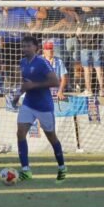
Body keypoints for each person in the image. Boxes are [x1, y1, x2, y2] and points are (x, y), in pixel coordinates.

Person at [12, 36, 66, 182]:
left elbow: (55, 81)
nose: (25, 48)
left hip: (44, 106)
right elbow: (25, 83)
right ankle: (26, 170)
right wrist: (17, 96)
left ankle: (62, 167)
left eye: (29, 46)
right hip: (28, 104)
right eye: (24, 46)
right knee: (20, 133)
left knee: (51, 137)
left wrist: (34, 85)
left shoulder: (42, 62)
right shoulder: (23, 62)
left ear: (36, 48)